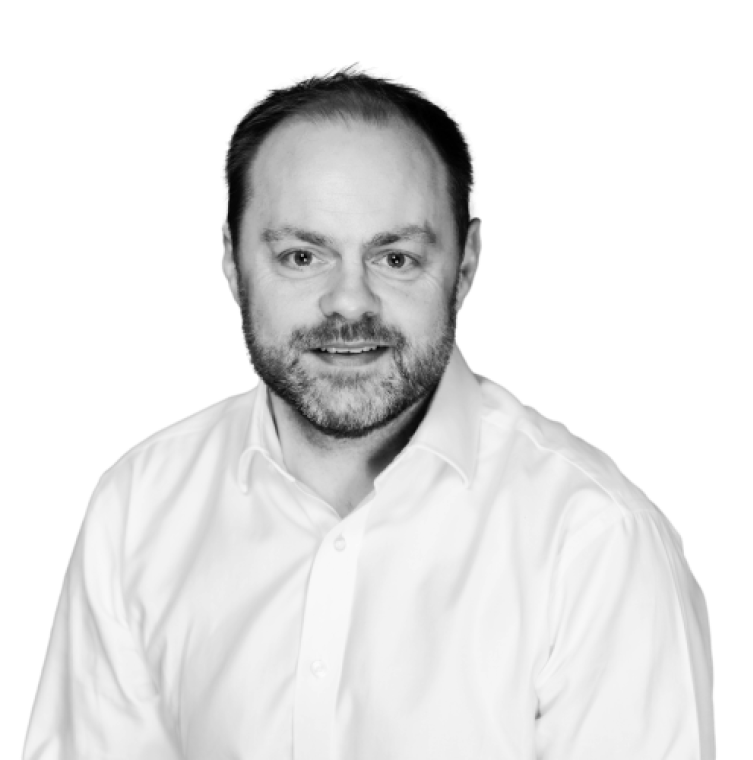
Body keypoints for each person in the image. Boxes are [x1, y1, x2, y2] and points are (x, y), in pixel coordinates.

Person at [22, 65, 715, 759]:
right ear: (231, 263)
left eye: (396, 258)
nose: (349, 302)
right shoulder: (138, 507)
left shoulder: (596, 542)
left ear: (467, 265)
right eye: (302, 256)